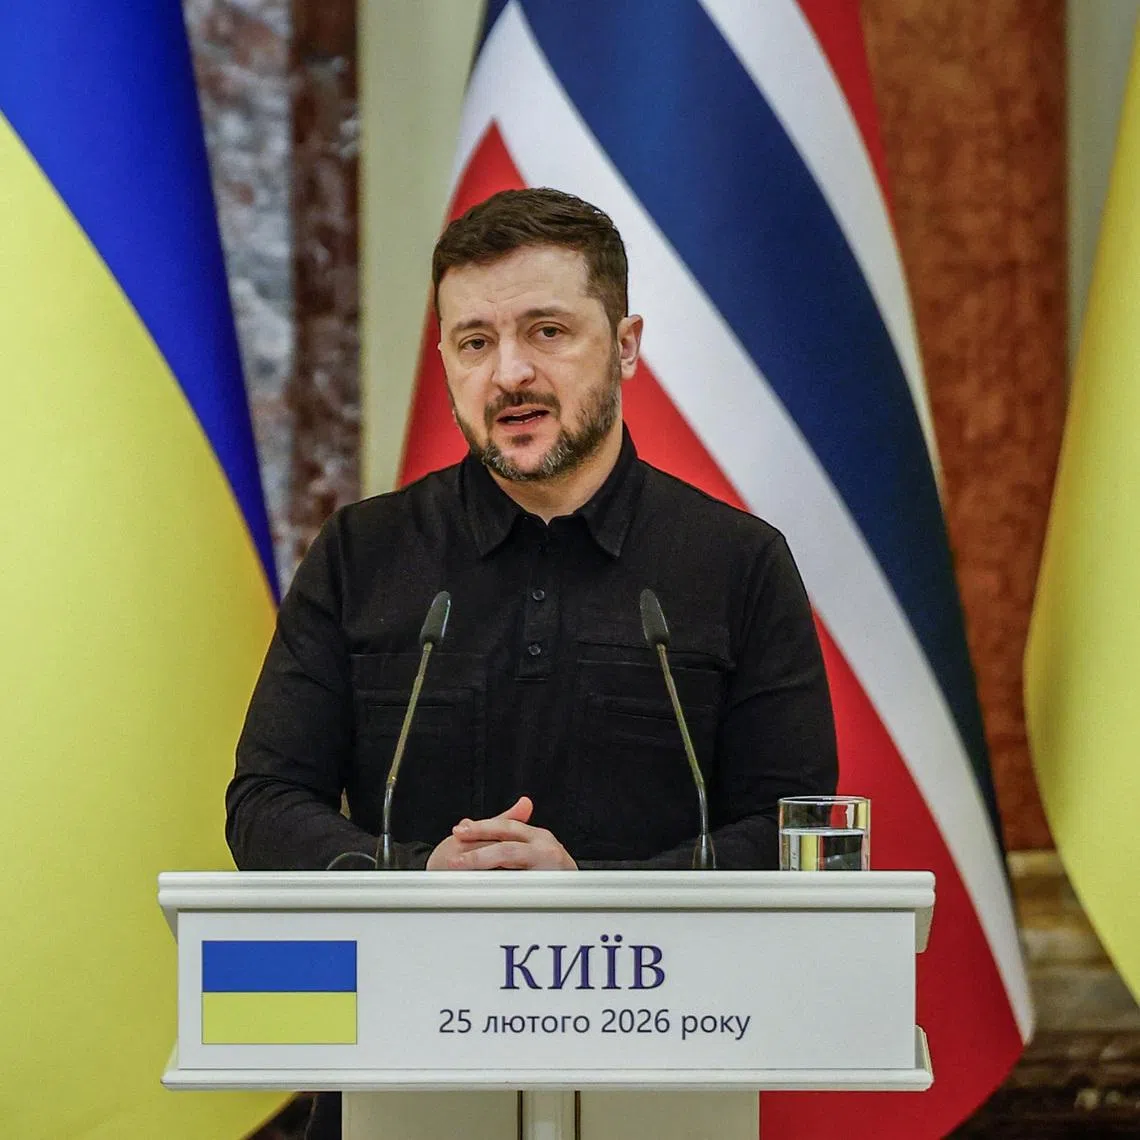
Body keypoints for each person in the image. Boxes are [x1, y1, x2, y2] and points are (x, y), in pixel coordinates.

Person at [226, 187, 837, 878]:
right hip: (416, 978)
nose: (510, 374)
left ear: (625, 347)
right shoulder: (360, 555)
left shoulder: (738, 564)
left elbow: (795, 831)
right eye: (475, 342)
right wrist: (418, 876)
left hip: (661, 982)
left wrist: (590, 899)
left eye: (547, 331)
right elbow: (264, 808)